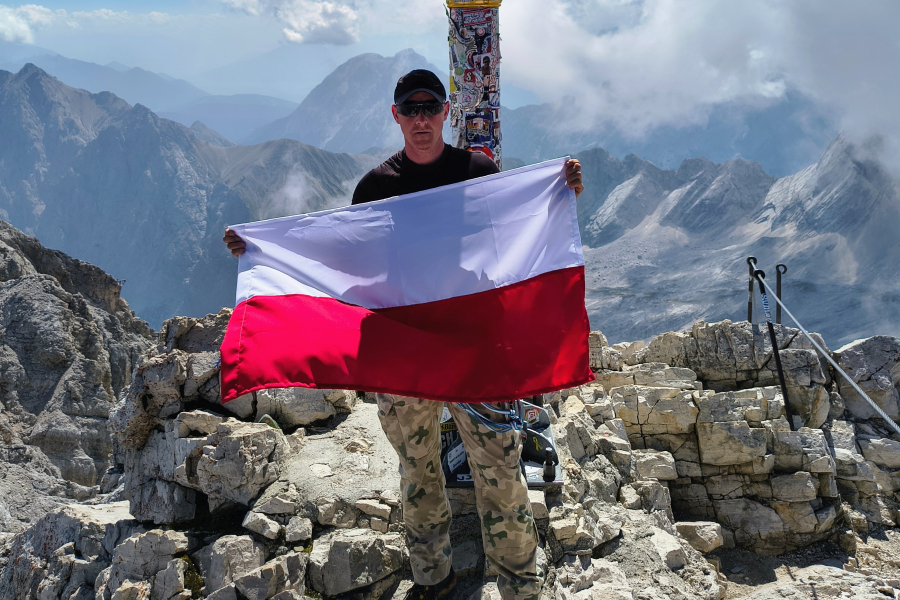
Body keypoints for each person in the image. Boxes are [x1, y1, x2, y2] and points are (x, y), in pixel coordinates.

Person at [223, 69, 584, 600]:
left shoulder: (475, 170)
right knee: (418, 473)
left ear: (445, 114)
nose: (421, 119)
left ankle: (520, 588)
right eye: (410, 110)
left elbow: (509, 231)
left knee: (501, 471)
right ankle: (433, 580)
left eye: (430, 108)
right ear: (396, 116)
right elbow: (344, 259)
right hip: (402, 348)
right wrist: (258, 249)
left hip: (472, 346)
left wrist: (559, 190)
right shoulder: (375, 188)